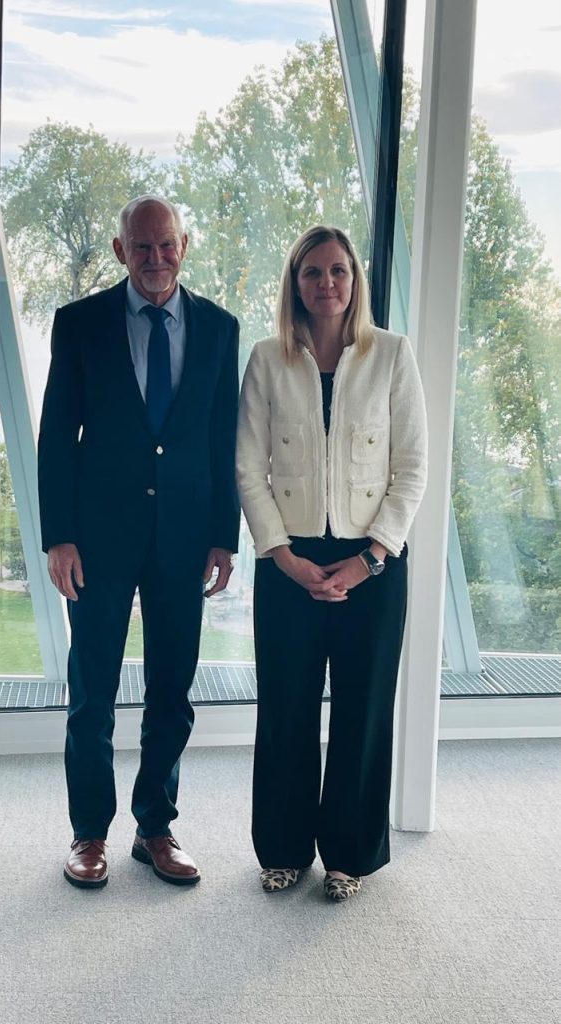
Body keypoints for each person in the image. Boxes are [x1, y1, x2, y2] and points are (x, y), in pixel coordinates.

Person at [38, 195, 240, 889]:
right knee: (92, 689)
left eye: (166, 245)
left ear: (185, 244)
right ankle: (89, 832)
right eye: (142, 247)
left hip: (185, 535)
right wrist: (60, 536)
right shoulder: (80, 323)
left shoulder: (219, 328)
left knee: (172, 688)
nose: (156, 258)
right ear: (121, 250)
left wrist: (223, 536)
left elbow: (222, 438)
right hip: (97, 537)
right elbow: (56, 434)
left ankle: (155, 827)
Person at [236, 225, 427, 901]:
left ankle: (349, 856)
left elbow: (412, 469)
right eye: (312, 272)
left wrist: (369, 559)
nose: (326, 284)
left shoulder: (392, 355)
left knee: (362, 711)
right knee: (285, 710)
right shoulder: (267, 359)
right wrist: (283, 557)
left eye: (338, 271)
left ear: (355, 280)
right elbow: (248, 468)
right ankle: (283, 848)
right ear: (295, 283)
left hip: (371, 564)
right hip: (288, 562)